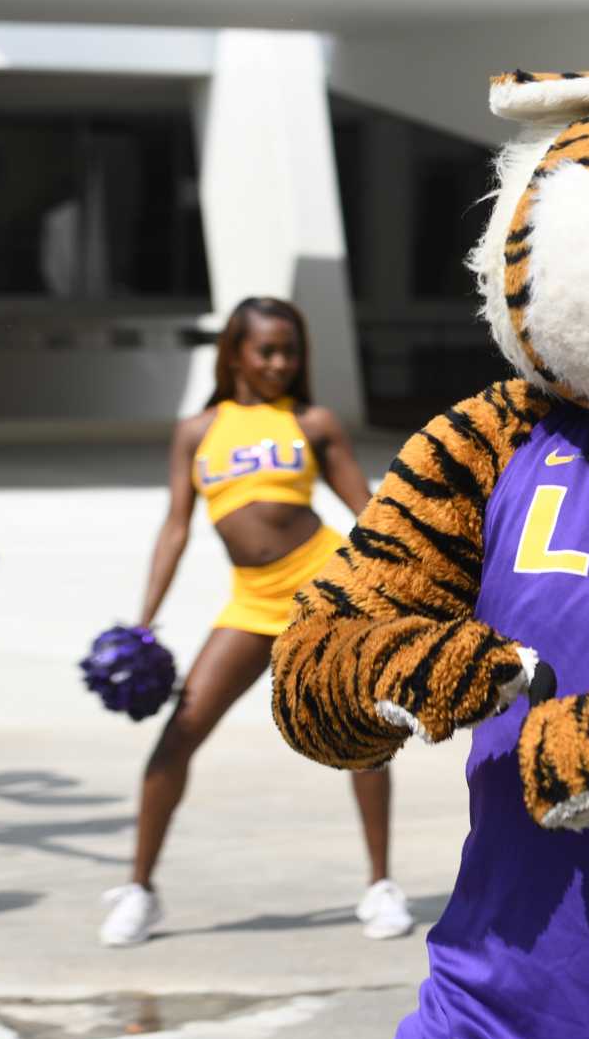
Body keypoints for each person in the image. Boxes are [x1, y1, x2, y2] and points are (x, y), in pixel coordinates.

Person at [99, 297, 393, 946]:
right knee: (179, 733)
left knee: (357, 730)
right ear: (235, 352)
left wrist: (401, 583)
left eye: (290, 350)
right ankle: (140, 889)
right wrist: (145, 622)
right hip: (251, 599)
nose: (280, 362)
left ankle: (380, 884)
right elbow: (176, 526)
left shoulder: (313, 421)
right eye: (266, 350)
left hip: (323, 590)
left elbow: (369, 511)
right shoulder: (197, 430)